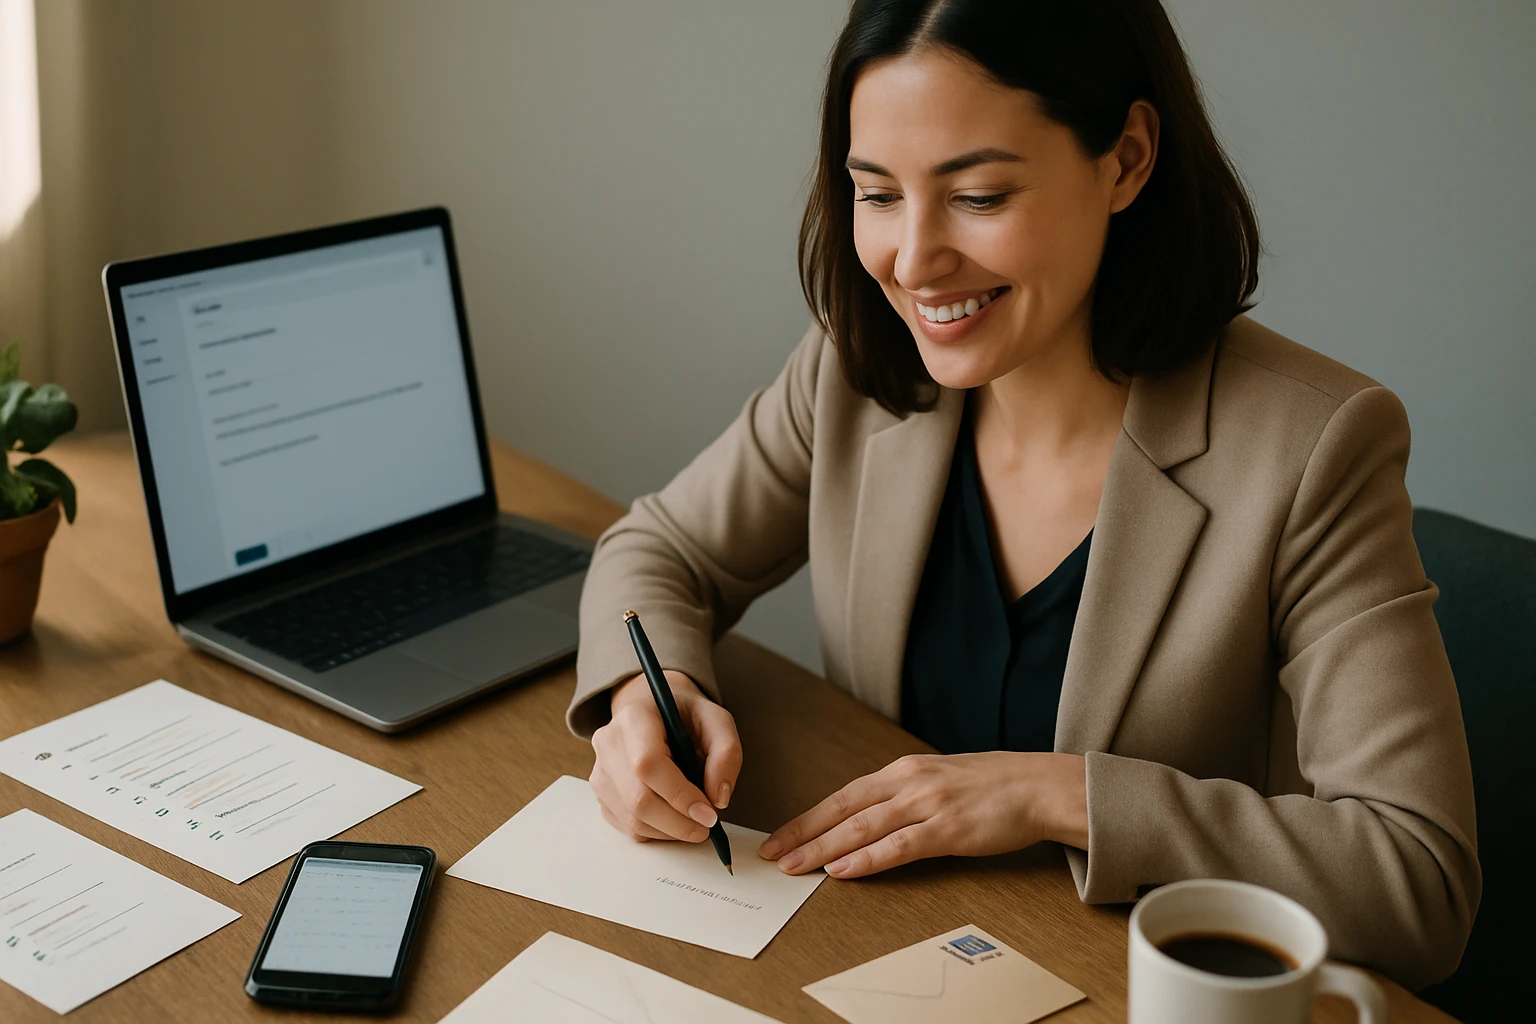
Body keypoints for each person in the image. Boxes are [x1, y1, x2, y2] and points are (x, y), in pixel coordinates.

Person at [565, 0, 1478, 990]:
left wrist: (1062, 795)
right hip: (867, 958)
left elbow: (1418, 879)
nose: (914, 262)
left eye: (980, 196)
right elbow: (659, 550)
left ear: (1126, 158)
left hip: (1122, 987)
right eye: (876, 194)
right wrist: (644, 701)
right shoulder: (855, 365)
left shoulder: (1313, 446)